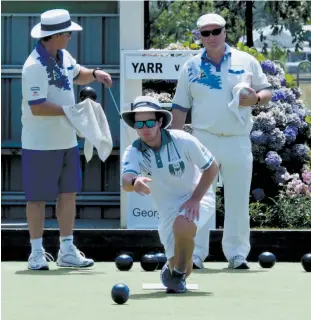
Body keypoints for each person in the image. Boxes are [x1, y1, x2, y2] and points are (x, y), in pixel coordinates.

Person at [171, 13, 272, 269]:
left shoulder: (246, 60)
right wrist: (173, 144)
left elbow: (266, 90)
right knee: (201, 198)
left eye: (216, 31)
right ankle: (196, 253)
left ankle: (237, 254)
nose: (212, 37)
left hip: (237, 139)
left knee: (238, 198)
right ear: (199, 37)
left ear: (225, 32)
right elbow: (180, 108)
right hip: (202, 140)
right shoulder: (190, 66)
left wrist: (257, 100)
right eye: (205, 33)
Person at [22, 9, 112, 270]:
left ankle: (67, 250)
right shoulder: (33, 66)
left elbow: (76, 73)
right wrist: (73, 112)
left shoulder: (63, 56)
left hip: (67, 142)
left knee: (68, 195)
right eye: (68, 33)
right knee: (37, 199)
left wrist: (95, 73)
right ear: (56, 35)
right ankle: (36, 253)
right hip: (39, 144)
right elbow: (37, 107)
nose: (71, 36)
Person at [121, 96, 218, 293]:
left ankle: (179, 276)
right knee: (181, 263)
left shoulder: (183, 140)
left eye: (149, 122)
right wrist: (134, 182)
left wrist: (195, 199)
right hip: (168, 211)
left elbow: (212, 167)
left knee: (183, 224)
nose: (145, 128)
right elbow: (126, 181)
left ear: (159, 122)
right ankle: (177, 268)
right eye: (139, 124)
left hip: (198, 197)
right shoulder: (133, 151)